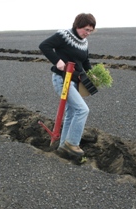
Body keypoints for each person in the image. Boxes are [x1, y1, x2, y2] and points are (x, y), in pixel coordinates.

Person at [39, 13, 96, 157]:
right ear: (77, 26)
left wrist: (92, 73)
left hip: (75, 81)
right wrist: (57, 61)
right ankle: (72, 143)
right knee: (82, 110)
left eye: (91, 31)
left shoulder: (84, 42)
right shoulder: (64, 35)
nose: (88, 33)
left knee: (71, 113)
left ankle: (63, 146)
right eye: (86, 29)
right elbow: (44, 46)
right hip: (62, 80)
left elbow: (85, 61)